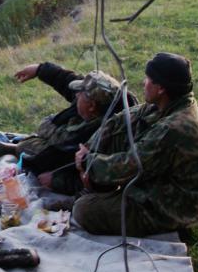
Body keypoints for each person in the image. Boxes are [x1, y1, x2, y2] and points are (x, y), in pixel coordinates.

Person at [72, 52, 198, 236]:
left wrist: (87, 162)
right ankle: (100, 192)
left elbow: (129, 166)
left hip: (172, 210)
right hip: (158, 188)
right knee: (118, 137)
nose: (143, 82)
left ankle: (100, 196)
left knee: (83, 210)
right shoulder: (168, 104)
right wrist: (91, 146)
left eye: (148, 79)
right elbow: (120, 121)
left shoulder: (175, 129)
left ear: (161, 88)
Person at [12, 61, 133, 195]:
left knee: (25, 147)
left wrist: (56, 180)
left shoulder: (103, 138)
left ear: (91, 106)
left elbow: (97, 181)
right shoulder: (102, 100)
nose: (75, 95)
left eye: (79, 94)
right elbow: (66, 80)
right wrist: (39, 69)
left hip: (81, 172)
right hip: (69, 149)